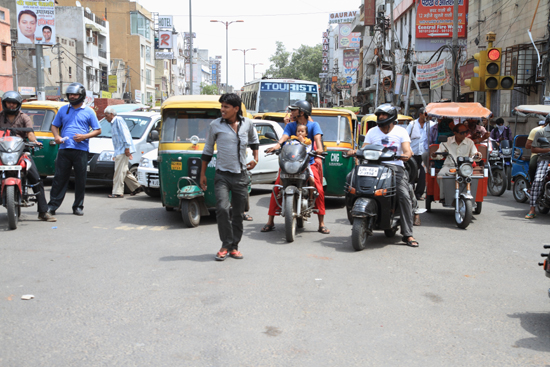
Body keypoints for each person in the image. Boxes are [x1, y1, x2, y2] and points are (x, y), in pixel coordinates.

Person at [348, 104, 419, 247]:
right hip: (372, 166)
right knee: (351, 182)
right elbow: (364, 148)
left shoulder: (401, 132)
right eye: (379, 115)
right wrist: (355, 152)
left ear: (392, 117)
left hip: (394, 168)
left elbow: (407, 149)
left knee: (403, 194)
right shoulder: (372, 132)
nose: (381, 117)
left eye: (384, 115)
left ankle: (408, 234)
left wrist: (406, 154)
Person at [200, 93, 259, 261]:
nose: (222, 110)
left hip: (240, 175)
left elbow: (254, 142)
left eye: (226, 107)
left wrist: (256, 159)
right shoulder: (215, 125)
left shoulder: (247, 124)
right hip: (222, 176)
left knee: (238, 213)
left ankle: (234, 246)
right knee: (222, 209)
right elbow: (208, 150)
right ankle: (225, 244)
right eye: (221, 106)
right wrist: (202, 174)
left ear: (236, 109)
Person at [262, 100, 330, 234]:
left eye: (294, 110)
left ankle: (321, 223)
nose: (291, 112)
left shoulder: (314, 125)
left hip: (308, 162)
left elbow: (317, 140)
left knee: (319, 189)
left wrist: (320, 149)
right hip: (289, 162)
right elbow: (284, 138)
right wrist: (277, 145)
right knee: (277, 187)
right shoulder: (291, 126)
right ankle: (270, 221)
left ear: (302, 112)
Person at [0, 91, 56, 222]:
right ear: (4, 103)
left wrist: (34, 141)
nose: (11, 105)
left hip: (21, 151)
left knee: (36, 177)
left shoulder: (24, 117)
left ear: (18, 104)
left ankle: (43, 212)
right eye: (9, 102)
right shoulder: (0, 116)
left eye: (14, 103)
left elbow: (30, 134)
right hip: (2, 152)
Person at [47, 83, 101, 216]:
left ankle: (78, 206)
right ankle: (52, 206)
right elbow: (54, 126)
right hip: (64, 149)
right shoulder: (63, 109)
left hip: (81, 150)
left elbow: (98, 130)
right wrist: (57, 136)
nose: (72, 96)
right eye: (70, 94)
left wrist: (84, 136)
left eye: (75, 94)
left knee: (80, 179)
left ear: (81, 95)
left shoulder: (89, 111)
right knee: (59, 178)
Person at [432, 123, 482, 201]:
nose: (464, 134)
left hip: (464, 167)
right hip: (449, 165)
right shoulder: (447, 141)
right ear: (455, 133)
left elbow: (474, 154)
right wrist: (435, 155)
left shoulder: (470, 142)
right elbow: (440, 154)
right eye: (462, 133)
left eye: (466, 132)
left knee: (472, 178)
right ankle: (443, 196)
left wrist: (477, 155)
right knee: (441, 175)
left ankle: (470, 196)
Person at [104, 107, 143, 198]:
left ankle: (118, 192)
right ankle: (137, 186)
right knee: (123, 170)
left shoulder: (118, 120)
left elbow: (125, 134)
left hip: (123, 150)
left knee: (118, 172)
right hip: (119, 150)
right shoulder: (113, 123)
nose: (105, 118)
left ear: (111, 115)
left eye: (106, 116)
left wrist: (127, 148)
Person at [525, 115, 550, 219]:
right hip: (544, 159)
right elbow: (533, 149)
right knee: (538, 180)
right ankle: (532, 209)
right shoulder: (541, 132)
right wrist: (548, 150)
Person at [406, 107, 428, 202]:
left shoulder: (430, 125)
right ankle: (409, 193)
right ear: (420, 114)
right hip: (413, 152)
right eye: (425, 114)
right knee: (411, 173)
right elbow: (406, 136)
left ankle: (419, 193)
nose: (427, 116)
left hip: (424, 153)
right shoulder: (412, 124)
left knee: (423, 173)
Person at [525, 120, 546, 186]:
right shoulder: (536, 131)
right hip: (538, 154)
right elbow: (528, 145)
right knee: (532, 165)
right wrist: (540, 147)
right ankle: (532, 183)